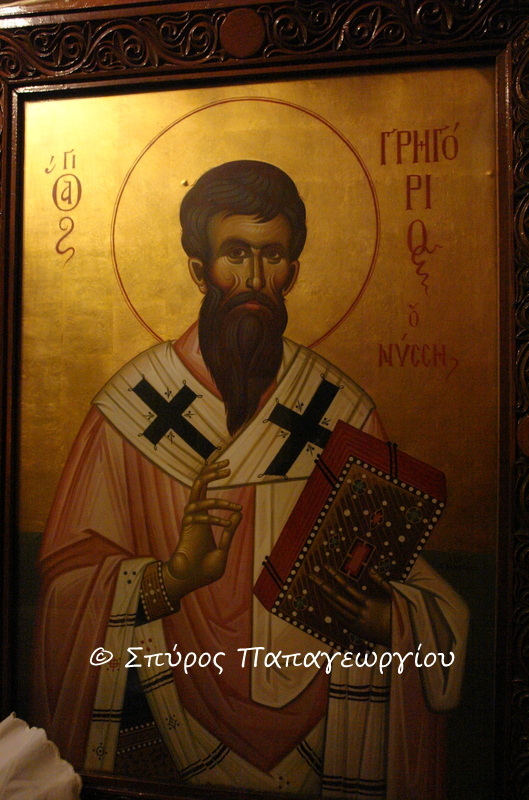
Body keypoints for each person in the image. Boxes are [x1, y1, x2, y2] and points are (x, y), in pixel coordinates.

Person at [32, 160, 468, 799]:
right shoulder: (130, 411)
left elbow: (399, 573)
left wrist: (390, 621)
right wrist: (171, 579)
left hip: (323, 736)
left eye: (273, 256)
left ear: (294, 270)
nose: (255, 280)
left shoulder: (342, 411)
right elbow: (67, 591)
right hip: (167, 724)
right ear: (198, 268)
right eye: (236, 254)